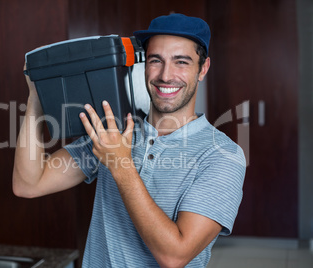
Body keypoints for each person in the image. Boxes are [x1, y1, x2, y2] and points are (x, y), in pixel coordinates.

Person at [13, 13, 246, 268]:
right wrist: (36, 94)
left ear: (203, 68)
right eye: (156, 60)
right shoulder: (116, 132)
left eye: (181, 62)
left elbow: (175, 256)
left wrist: (120, 164)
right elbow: (29, 184)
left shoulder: (222, 155)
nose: (166, 75)